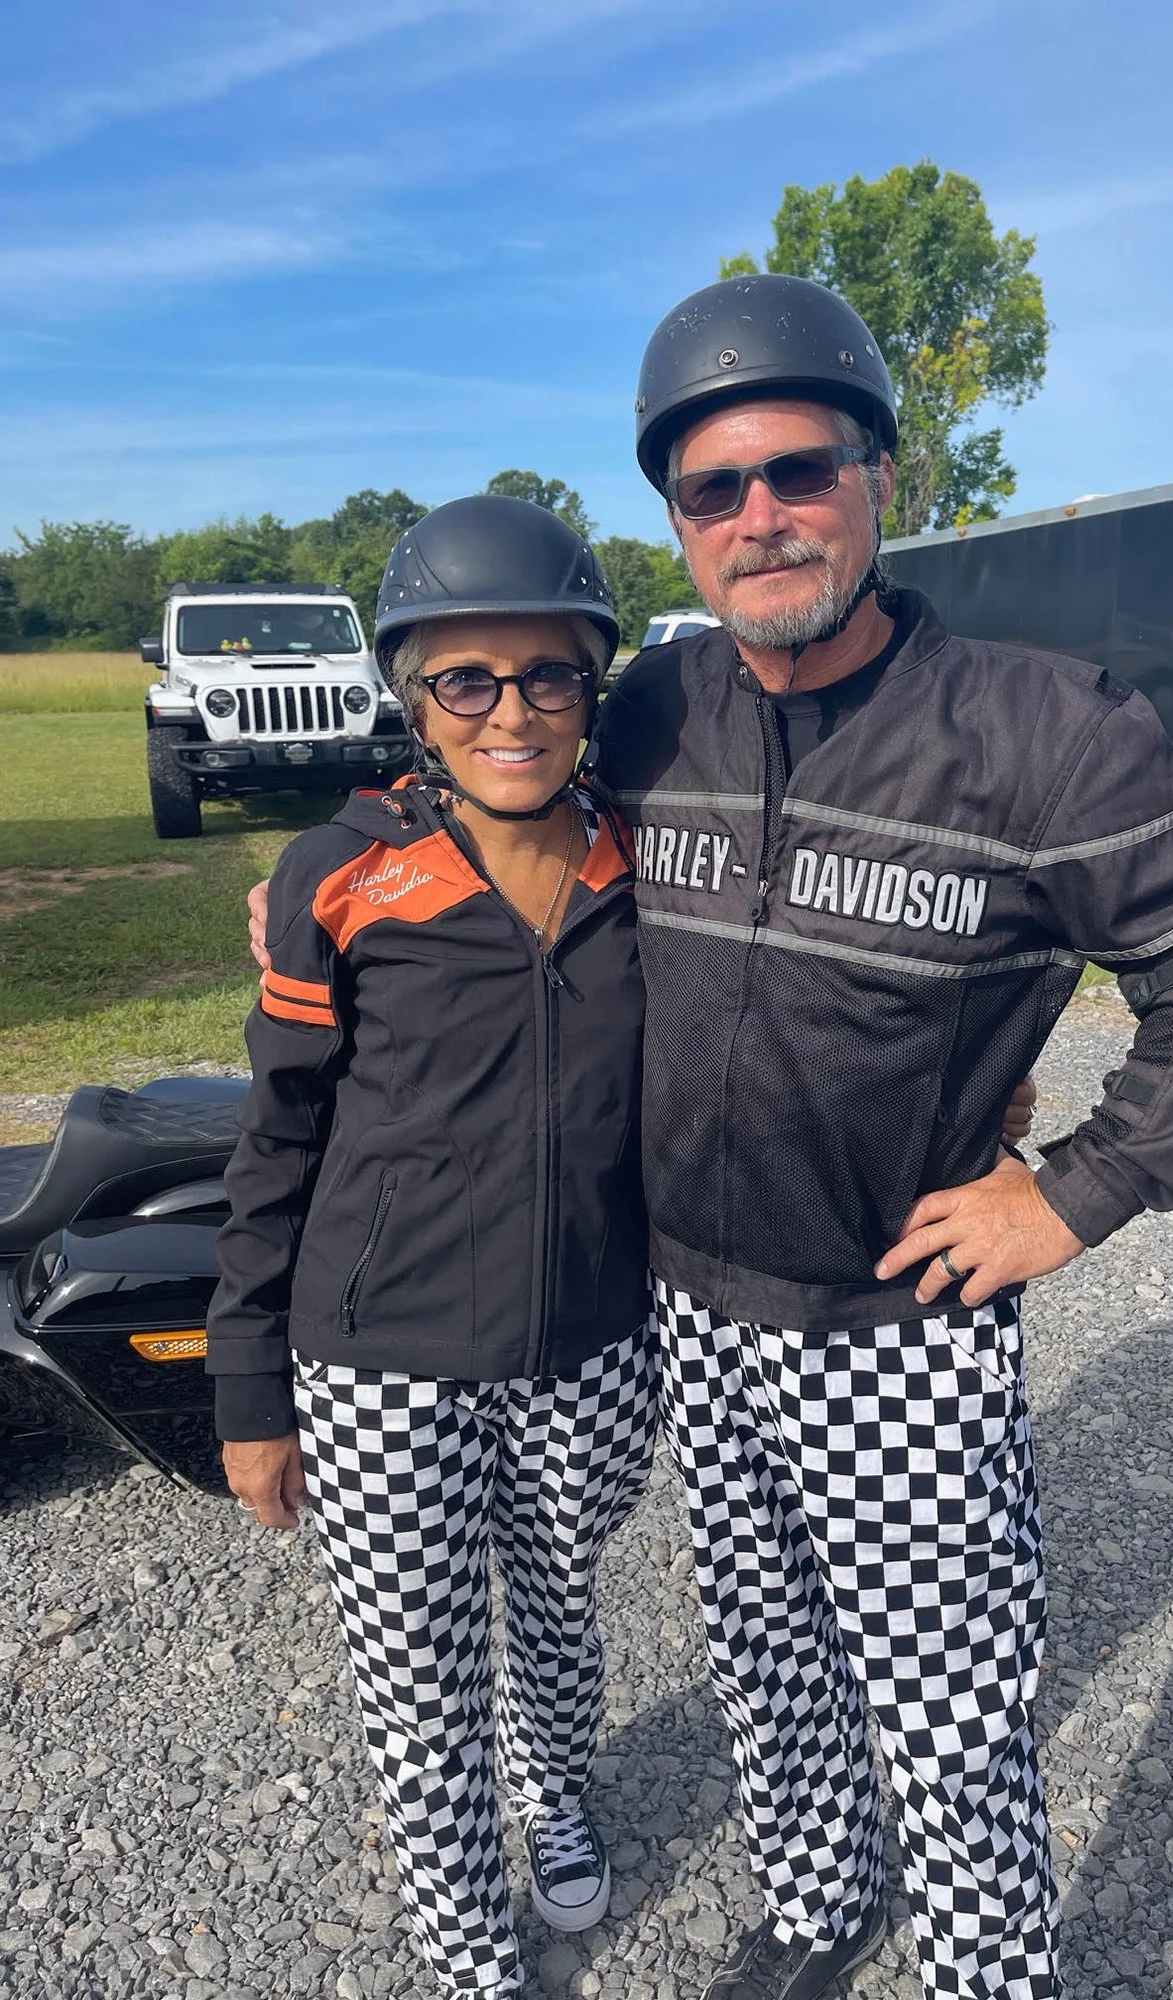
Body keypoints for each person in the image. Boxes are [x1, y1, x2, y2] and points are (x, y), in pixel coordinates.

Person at [583, 274, 1173, 2000]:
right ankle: (822, 1912)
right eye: (713, 491)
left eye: (800, 471)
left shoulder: (1042, 730)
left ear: (881, 482)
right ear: (678, 525)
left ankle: (994, 1972)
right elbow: (492, 786)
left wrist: (1075, 1194)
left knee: (946, 1705)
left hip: (893, 1326)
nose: (761, 519)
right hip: (694, 1296)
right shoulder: (651, 715)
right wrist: (317, 886)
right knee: (767, 1660)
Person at [209, 496, 655, 1998]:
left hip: (591, 1337)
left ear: (595, 687)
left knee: (555, 1612)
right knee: (419, 1678)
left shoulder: (651, 864)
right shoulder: (336, 876)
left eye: (548, 676)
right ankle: (471, 1949)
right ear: (414, 697)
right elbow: (275, 1143)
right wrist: (248, 1388)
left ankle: (559, 1798)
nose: (511, 711)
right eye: (467, 680)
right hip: (379, 1355)